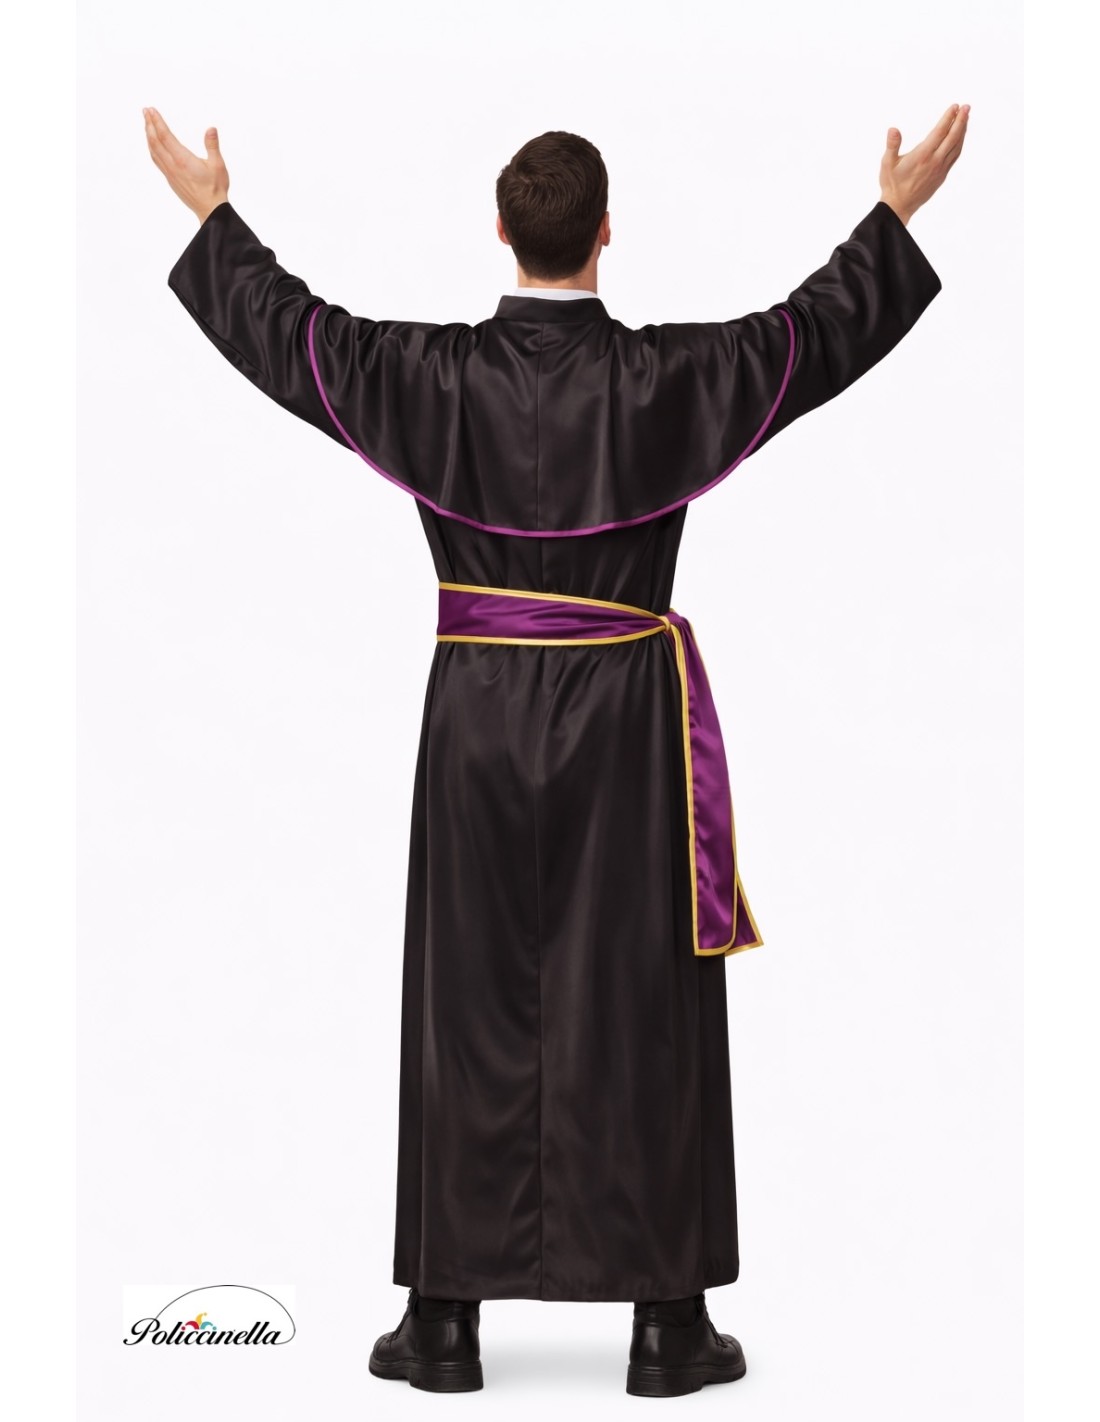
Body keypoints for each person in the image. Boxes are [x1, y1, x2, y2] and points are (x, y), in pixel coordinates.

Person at [145, 103, 968, 1396]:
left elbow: (289, 334)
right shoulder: (668, 381)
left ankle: (442, 1320)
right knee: (640, 1003)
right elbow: (810, 338)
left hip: (475, 715)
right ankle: (667, 1322)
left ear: (500, 232)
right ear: (605, 234)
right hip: (627, 719)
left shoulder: (425, 377)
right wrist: (896, 213)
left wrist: (211, 213)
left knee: (465, 1001)